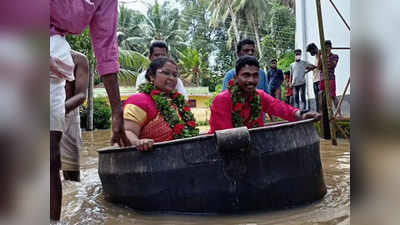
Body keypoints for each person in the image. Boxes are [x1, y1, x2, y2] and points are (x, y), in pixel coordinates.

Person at [50, 0, 130, 220]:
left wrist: (117, 111)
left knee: (50, 158)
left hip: (55, 69)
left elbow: (106, 48)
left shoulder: (78, 59)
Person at [209, 56, 320, 133]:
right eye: (246, 75)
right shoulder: (222, 100)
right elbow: (227, 137)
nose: (251, 80)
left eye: (255, 75)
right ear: (236, 78)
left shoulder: (259, 96)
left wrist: (302, 115)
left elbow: (282, 108)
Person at [124, 57, 199, 151]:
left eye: (175, 75)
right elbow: (126, 131)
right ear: (152, 76)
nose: (171, 78)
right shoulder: (139, 101)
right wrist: (138, 142)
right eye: (166, 73)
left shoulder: (179, 103)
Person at [60, 50, 89, 182]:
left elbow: (81, 95)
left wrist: (56, 110)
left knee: (71, 174)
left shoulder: (78, 59)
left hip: (68, 114)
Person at [317, 40, 342, 117]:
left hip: (330, 78)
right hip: (322, 78)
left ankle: (339, 113)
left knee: (333, 95)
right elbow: (319, 67)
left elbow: (332, 65)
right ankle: (323, 114)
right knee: (321, 95)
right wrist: (320, 57)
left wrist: (326, 55)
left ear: (331, 47)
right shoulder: (321, 56)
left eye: (328, 47)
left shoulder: (335, 56)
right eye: (325, 47)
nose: (327, 48)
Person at [306, 43, 321, 112]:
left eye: (310, 51)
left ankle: (321, 113)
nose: (310, 53)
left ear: (314, 49)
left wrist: (313, 67)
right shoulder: (316, 56)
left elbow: (320, 67)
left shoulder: (321, 54)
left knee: (321, 98)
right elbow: (316, 67)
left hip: (320, 80)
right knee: (317, 98)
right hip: (315, 80)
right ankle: (318, 113)